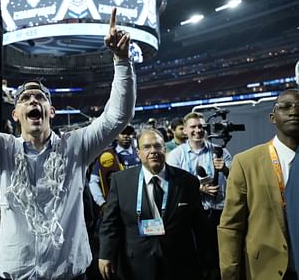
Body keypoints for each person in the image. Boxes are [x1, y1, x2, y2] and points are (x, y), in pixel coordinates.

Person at [0, 7, 136, 279]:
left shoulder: (76, 146)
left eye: (40, 97)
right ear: (16, 114)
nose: (33, 100)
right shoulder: (1, 150)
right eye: (25, 98)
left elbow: (118, 116)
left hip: (69, 275)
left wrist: (121, 60)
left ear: (51, 111)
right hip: (15, 274)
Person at [98, 129, 206, 280]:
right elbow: (110, 222)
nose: (153, 151)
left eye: (157, 146)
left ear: (165, 149)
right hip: (136, 264)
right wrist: (105, 255)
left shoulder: (187, 181)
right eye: (147, 147)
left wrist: (209, 261)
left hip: (179, 262)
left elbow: (200, 226)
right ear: (138, 152)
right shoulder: (120, 181)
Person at [219, 89, 299, 280]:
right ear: (273, 117)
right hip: (265, 270)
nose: (294, 111)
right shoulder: (246, 162)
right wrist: (230, 273)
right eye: (286, 107)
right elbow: (231, 226)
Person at [166, 111, 232, 280]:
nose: (198, 130)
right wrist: (199, 189)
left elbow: (236, 179)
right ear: (185, 131)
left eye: (201, 126)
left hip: (218, 213)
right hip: (190, 215)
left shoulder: (220, 152)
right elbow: (171, 185)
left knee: (219, 256)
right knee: (196, 257)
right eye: (193, 127)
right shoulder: (175, 155)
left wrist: (224, 169)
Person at [89, 124, 141, 208]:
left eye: (129, 133)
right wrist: (101, 203)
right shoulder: (107, 155)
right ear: (116, 135)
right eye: (122, 133)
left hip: (138, 202)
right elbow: (93, 181)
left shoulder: (139, 154)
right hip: (116, 204)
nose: (126, 136)